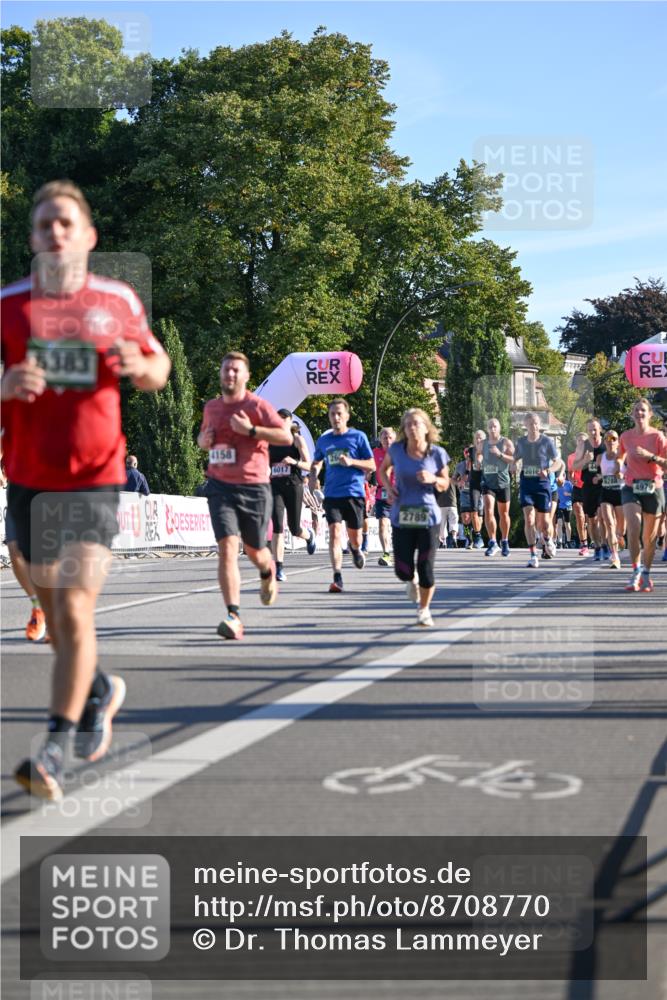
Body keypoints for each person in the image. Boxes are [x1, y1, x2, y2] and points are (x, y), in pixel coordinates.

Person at [1, 180, 171, 799]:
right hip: (26, 479)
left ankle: (51, 750)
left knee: (72, 608)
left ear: (89, 236)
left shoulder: (117, 300)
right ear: (32, 239)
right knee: (51, 602)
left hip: (96, 476)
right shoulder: (9, 306)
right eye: (45, 224)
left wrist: (140, 366)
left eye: (67, 222)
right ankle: (99, 687)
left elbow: (159, 367)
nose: (56, 233)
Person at [198, 352, 291, 639]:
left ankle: (267, 571)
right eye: (226, 370)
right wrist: (203, 441)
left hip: (253, 486)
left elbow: (286, 438)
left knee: (255, 551)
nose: (230, 375)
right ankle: (233, 615)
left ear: (247, 376)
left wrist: (251, 430)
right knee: (226, 548)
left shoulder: (258, 405)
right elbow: (203, 439)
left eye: (236, 371)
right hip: (219, 485)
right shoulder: (212, 408)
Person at [379, 408, 450, 627]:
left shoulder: (436, 453)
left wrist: (432, 479)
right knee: (403, 570)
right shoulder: (397, 450)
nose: (411, 428)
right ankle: (410, 581)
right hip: (402, 515)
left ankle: (424, 610)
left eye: (416, 423)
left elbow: (445, 483)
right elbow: (382, 470)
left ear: (426, 427)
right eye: (408, 424)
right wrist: (389, 489)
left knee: (426, 569)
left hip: (428, 516)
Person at [309, 398, 375, 593]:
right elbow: (317, 461)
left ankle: (355, 549)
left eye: (339, 414)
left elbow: (371, 465)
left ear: (347, 416)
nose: (336, 417)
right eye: (332, 414)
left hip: (354, 493)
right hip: (332, 494)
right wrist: (314, 473)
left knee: (355, 539)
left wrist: (352, 462)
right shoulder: (324, 440)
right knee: (335, 534)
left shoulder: (358, 437)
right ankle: (337, 577)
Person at [618, 398, 667, 592]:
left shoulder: (658, 437)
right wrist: (617, 467)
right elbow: (621, 457)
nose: (639, 413)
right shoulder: (626, 436)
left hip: (653, 488)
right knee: (633, 526)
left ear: (650, 414)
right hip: (631, 487)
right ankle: (635, 571)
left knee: (650, 538)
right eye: (636, 410)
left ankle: (646, 573)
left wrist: (650, 456)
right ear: (632, 414)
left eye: (643, 411)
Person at [269, 408, 316, 582]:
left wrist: (294, 462)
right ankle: (279, 568)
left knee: (295, 528)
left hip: (293, 486)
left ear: (290, 421)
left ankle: (309, 536)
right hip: (275, 487)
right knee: (277, 527)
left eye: (283, 418)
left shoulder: (297, 440)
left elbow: (309, 465)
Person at [513, 413, 560, 568]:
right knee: (529, 519)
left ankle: (547, 540)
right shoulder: (521, 442)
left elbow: (557, 462)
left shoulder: (546, 441)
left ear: (539, 425)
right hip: (526, 483)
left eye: (535, 423)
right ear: (525, 425)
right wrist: (512, 465)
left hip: (542, 484)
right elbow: (514, 459)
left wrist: (549, 470)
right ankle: (533, 555)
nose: (533, 426)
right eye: (530, 423)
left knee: (545, 523)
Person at [480, 417, 514, 557]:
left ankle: (504, 541)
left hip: (503, 482)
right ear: (487, 429)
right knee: (488, 509)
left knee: (503, 514)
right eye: (490, 427)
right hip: (488, 482)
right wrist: (478, 461)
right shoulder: (482, 444)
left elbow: (514, 459)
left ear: (499, 428)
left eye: (495, 426)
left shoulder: (505, 442)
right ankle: (493, 542)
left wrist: (500, 454)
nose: (492, 429)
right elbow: (477, 454)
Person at [574, 419, 607, 561]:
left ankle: (605, 544)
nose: (593, 432)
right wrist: (586, 460)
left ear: (600, 429)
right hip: (587, 486)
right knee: (592, 520)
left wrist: (601, 475)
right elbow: (575, 466)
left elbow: (615, 463)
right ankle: (598, 546)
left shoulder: (607, 444)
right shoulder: (583, 445)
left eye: (595, 429)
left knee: (603, 515)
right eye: (590, 430)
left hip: (603, 485)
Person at [594, 430, 625, 570]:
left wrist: (622, 476)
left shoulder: (623, 456)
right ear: (605, 441)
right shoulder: (600, 458)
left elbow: (631, 473)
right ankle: (615, 557)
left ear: (618, 442)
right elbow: (600, 473)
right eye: (607, 438)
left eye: (614, 438)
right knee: (610, 524)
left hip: (620, 493)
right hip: (606, 493)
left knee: (621, 528)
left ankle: (620, 537)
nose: (610, 440)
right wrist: (598, 477)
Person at [373, 426, 396, 566]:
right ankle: (386, 553)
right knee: (383, 523)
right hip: (382, 492)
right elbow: (369, 467)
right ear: (380, 440)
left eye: (390, 437)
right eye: (384, 437)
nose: (387, 440)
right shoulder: (375, 453)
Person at [568, 433, 589, 554]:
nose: (581, 442)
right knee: (579, 516)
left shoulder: (591, 456)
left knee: (590, 518)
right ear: (577, 442)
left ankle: (598, 542)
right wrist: (571, 480)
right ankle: (584, 544)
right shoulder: (571, 457)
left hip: (590, 488)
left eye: (583, 441)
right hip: (578, 488)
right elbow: (570, 473)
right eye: (579, 440)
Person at [468, 430, 486, 548]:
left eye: (481, 438)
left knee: (484, 513)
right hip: (474, 483)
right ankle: (477, 535)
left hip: (486, 483)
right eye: (477, 438)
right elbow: (469, 466)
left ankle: (484, 538)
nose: (478, 440)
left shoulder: (489, 450)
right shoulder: (471, 450)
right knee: (473, 510)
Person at [556, 476, 574, 549]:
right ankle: (559, 542)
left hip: (568, 505)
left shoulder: (569, 484)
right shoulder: (557, 483)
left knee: (567, 524)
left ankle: (568, 541)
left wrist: (569, 494)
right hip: (560, 505)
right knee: (559, 523)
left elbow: (574, 494)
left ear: (564, 477)